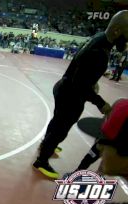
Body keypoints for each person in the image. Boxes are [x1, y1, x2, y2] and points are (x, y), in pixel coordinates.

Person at [33, 10, 128, 179]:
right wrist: (101, 103)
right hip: (71, 94)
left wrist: (93, 81)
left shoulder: (99, 38)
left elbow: (81, 67)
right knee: (61, 130)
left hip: (64, 87)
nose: (126, 42)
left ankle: (46, 145)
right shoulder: (99, 51)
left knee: (56, 122)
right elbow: (80, 84)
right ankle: (41, 161)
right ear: (117, 31)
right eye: (126, 36)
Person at [76, 98, 128, 171]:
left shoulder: (120, 101)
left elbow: (106, 118)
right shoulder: (121, 102)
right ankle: (80, 171)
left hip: (107, 139)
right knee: (94, 157)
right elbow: (107, 118)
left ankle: (79, 171)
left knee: (92, 156)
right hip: (109, 140)